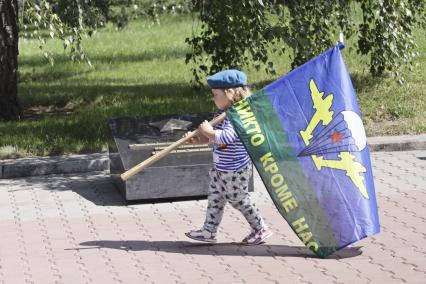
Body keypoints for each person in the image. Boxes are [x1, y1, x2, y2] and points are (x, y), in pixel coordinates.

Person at [184, 69, 272, 245]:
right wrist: (199, 139)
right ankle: (209, 231)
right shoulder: (222, 114)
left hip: (235, 170)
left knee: (239, 199)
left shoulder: (238, 115)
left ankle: (260, 228)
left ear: (230, 93)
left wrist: (209, 132)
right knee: (215, 198)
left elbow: (227, 137)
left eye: (216, 95)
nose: (213, 98)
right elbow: (216, 140)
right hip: (221, 169)